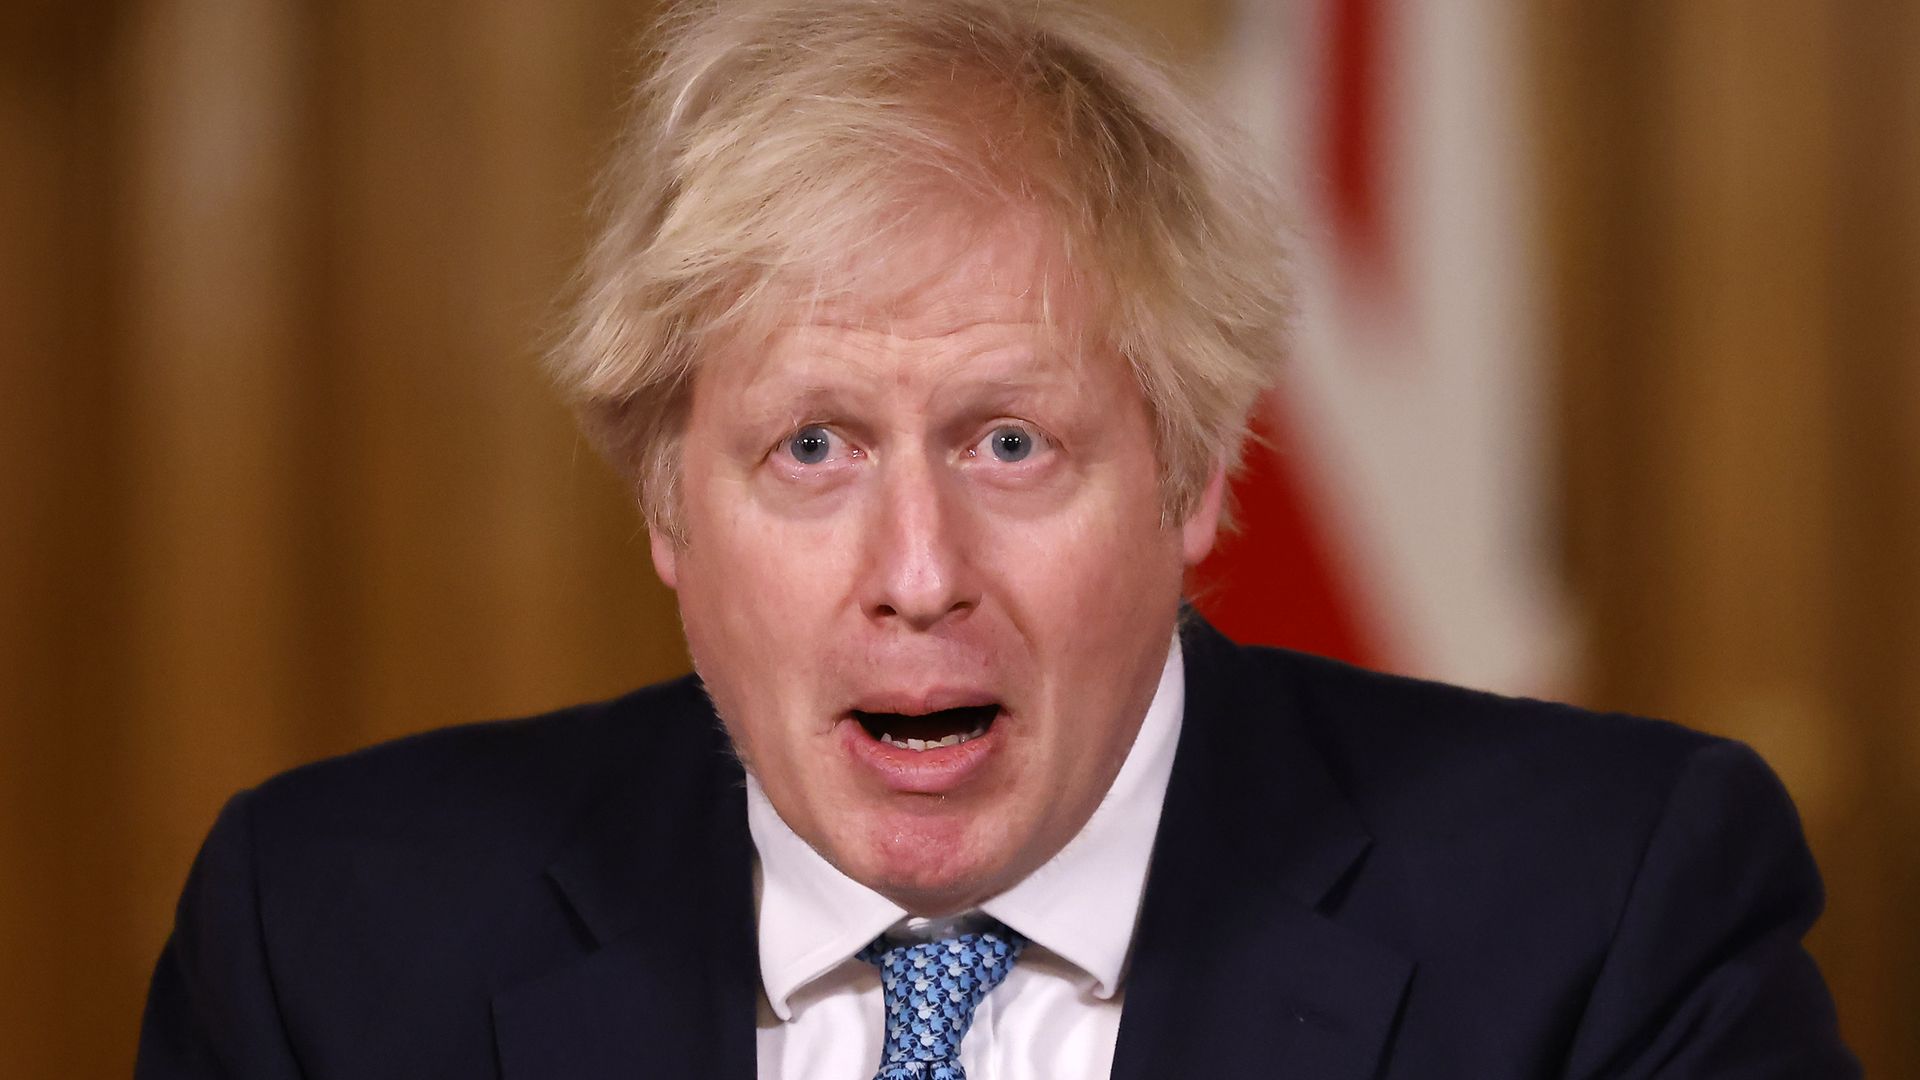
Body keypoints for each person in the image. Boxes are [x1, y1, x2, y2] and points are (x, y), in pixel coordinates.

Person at [136, 1, 1858, 1077]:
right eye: (811, 448)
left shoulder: (1606, 921)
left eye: (1012, 443)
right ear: (670, 500)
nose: (917, 570)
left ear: (1191, 482)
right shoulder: (325, 947)